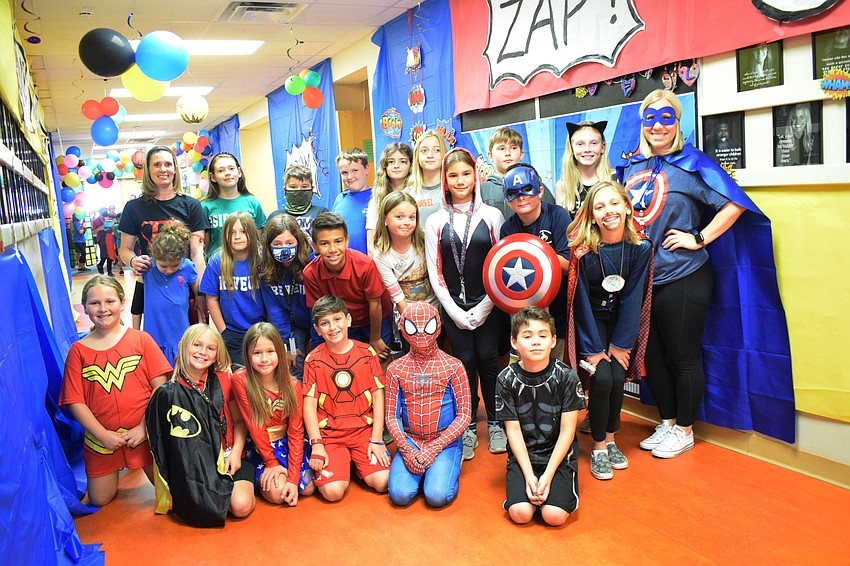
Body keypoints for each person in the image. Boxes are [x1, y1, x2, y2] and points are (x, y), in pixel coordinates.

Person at [619, 89, 753, 458]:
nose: (658, 126)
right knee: (653, 356)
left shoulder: (691, 164)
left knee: (683, 356)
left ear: (677, 122)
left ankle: (685, 429)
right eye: (650, 118)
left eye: (666, 118)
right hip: (644, 279)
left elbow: (734, 204)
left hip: (683, 275)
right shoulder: (632, 167)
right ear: (642, 124)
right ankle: (667, 421)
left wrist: (699, 237)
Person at [565, 182, 652, 480]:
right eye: (600, 207)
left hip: (620, 323)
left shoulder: (641, 247)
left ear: (627, 207)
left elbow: (633, 296)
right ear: (591, 216)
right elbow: (581, 302)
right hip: (593, 322)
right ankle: (599, 446)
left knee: (617, 377)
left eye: (614, 204)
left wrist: (622, 344)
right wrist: (593, 348)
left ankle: (612, 438)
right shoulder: (583, 252)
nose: (609, 211)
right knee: (602, 378)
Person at [59, 276, 171, 506]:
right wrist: (102, 435)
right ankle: (117, 465)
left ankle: (138, 462)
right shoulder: (78, 351)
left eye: (109, 301)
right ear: (85, 307)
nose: (103, 309)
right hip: (102, 441)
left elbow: (160, 389)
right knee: (100, 499)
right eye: (94, 303)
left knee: (170, 495)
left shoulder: (141, 340)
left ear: (122, 302)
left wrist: (144, 428)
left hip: (145, 434)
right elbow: (74, 400)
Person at [425, 147, 504, 460]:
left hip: (490, 303)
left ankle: (497, 422)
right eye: (453, 175)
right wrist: (455, 311)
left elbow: (500, 265)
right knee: (464, 363)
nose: (460, 181)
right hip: (453, 305)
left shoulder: (492, 216)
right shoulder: (435, 221)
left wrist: (485, 306)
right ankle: (468, 424)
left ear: (476, 176)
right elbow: (435, 270)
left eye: (466, 174)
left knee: (488, 360)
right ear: (445, 179)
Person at [146, 324, 256, 527]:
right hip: (194, 465)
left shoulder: (225, 380)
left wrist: (236, 453)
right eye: (197, 345)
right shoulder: (167, 392)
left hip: (229, 457)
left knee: (240, 506)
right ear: (182, 346)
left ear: (216, 355)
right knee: (195, 507)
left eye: (210, 348)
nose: (202, 352)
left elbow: (240, 422)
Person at [496, 307, 585, 526]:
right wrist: (529, 476)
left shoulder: (567, 376)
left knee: (553, 516)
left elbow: (567, 431)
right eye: (527, 336)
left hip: (558, 455)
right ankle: (523, 486)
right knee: (520, 514)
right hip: (524, 455)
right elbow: (513, 431)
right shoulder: (505, 379)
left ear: (553, 341)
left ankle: (559, 490)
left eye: (542, 335)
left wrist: (547, 476)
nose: (536, 342)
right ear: (514, 342)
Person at [302, 295, 391, 502]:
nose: (332, 327)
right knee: (333, 493)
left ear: (348, 320)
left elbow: (378, 396)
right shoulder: (313, 360)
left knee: (383, 482)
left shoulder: (367, 353)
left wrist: (377, 438)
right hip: (330, 436)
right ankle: (341, 463)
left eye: (337, 319)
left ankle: (356, 463)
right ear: (317, 329)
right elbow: (309, 406)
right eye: (325, 323)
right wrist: (317, 444)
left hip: (363, 432)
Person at [385, 302, 470, 508]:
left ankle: (443, 468)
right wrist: (406, 448)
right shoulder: (395, 368)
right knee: (399, 495)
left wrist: (434, 448)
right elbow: (391, 415)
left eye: (428, 326)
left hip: (444, 441)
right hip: (411, 439)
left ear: (438, 327)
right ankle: (430, 471)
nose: (421, 333)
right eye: (414, 327)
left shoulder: (454, 366)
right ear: (403, 330)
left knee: (436, 496)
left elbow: (465, 415)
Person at [118, 146, 209, 329]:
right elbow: (124, 249)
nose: (163, 169)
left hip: (184, 284)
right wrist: (134, 260)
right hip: (151, 283)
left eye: (168, 164)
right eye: (157, 164)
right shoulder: (133, 208)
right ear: (148, 170)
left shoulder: (191, 205)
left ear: (175, 168)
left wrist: (200, 290)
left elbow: (197, 252)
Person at [231, 323, 314, 506]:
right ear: (247, 355)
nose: (264, 359)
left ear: (280, 351)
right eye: (257, 353)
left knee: (307, 488)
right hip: (261, 446)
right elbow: (254, 424)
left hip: (288, 443)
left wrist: (292, 478)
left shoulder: (292, 385)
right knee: (279, 495)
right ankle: (261, 479)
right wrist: (271, 462)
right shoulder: (240, 379)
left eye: (270, 351)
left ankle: (286, 478)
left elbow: (296, 432)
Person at [499, 163, 571, 360]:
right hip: (525, 317)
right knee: (530, 373)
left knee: (557, 373)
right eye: (513, 193)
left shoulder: (558, 215)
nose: (521, 197)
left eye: (527, 189)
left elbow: (568, 265)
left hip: (558, 313)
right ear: (507, 200)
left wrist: (532, 256)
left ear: (540, 191)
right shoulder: (508, 229)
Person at [302, 212, 393, 362]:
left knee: (379, 358)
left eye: (338, 241)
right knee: (344, 361)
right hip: (340, 323)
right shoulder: (310, 273)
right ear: (315, 246)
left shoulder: (364, 265)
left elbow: (375, 304)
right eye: (324, 243)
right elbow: (319, 312)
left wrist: (375, 339)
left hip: (374, 319)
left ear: (346, 241)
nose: (332, 249)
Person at [199, 212, 265, 366]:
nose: (237, 237)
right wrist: (223, 331)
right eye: (232, 233)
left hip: (259, 329)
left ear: (252, 233)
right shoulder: (218, 260)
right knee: (239, 374)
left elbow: (270, 298)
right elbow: (211, 298)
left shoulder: (262, 259)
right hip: (232, 331)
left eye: (243, 232)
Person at [259, 214, 313, 381]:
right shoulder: (265, 270)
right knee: (294, 362)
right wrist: (290, 346)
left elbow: (316, 308)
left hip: (314, 324)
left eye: (289, 243)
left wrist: (316, 341)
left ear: (298, 241)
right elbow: (275, 312)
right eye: (277, 244)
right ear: (268, 246)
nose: (284, 249)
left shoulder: (311, 263)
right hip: (289, 329)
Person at [143, 221, 198, 363]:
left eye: (174, 265)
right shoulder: (147, 268)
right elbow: (137, 305)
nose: (169, 270)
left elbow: (198, 297)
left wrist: (201, 323)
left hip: (180, 333)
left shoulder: (187, 267)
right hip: (154, 335)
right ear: (154, 257)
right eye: (163, 266)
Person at [373, 191, 436, 314]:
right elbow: (397, 297)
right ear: (385, 219)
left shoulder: (425, 240)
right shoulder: (381, 256)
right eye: (399, 217)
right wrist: (412, 320)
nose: (407, 222)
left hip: (435, 307)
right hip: (407, 313)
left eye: (412, 217)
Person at [201, 152, 266, 259]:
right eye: (221, 170)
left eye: (231, 168)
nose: (227, 173)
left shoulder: (253, 202)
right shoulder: (205, 206)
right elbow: (205, 246)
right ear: (213, 177)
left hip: (248, 265)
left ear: (239, 172)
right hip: (218, 266)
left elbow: (258, 239)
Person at [480, 127, 554, 219]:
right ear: (490, 156)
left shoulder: (535, 185)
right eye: (501, 148)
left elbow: (552, 218)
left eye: (513, 148)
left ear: (521, 154)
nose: (507, 153)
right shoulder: (482, 190)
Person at [554, 121, 612, 215]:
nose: (587, 149)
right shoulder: (562, 186)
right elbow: (565, 227)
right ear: (571, 149)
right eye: (580, 144)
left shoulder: (613, 180)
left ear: (603, 147)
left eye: (594, 143)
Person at [366, 142, 413, 255]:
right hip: (385, 262)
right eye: (391, 162)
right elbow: (371, 245)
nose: (396, 166)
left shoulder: (417, 194)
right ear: (384, 166)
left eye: (402, 161)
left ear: (411, 165)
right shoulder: (377, 200)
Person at [267, 164, 328, 237]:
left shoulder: (322, 213)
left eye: (304, 186)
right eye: (293, 187)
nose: (299, 190)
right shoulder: (275, 217)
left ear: (312, 188)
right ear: (285, 189)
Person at [332, 148, 373, 254]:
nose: (350, 177)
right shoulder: (340, 199)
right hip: (345, 265)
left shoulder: (378, 197)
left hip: (372, 264)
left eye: (355, 171)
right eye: (344, 173)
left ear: (366, 169)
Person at [404, 131, 447, 227]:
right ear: (417, 156)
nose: (430, 155)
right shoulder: (406, 195)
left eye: (437, 150)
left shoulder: (453, 190)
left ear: (444, 154)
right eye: (424, 150)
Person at [92, 206, 116, 276]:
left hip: (109, 238)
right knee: (104, 255)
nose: (105, 212)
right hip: (101, 239)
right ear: (100, 212)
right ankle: (100, 265)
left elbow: (113, 229)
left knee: (110, 255)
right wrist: (99, 228)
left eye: (105, 210)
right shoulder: (95, 221)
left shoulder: (108, 219)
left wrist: (112, 227)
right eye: (103, 210)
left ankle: (109, 271)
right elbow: (93, 232)